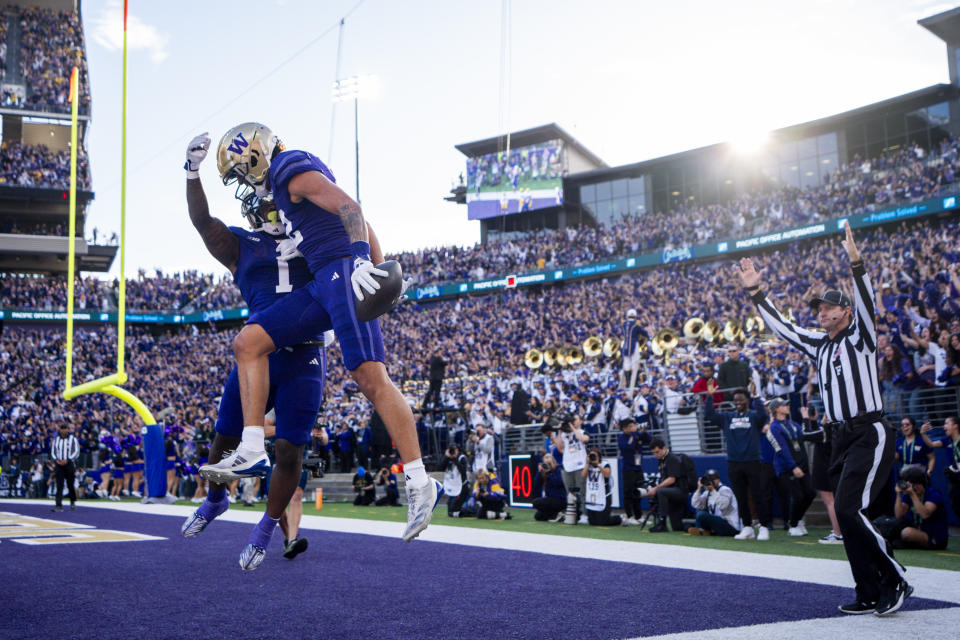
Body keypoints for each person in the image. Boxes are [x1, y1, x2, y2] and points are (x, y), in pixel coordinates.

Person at [211, 123, 442, 543]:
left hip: (341, 272)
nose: (244, 184)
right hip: (324, 280)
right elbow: (358, 219)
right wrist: (378, 260)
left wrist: (362, 261)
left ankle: (420, 481)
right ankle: (249, 444)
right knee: (249, 342)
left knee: (371, 379)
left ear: (255, 156)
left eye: (241, 172)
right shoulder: (283, 184)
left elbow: (351, 208)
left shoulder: (286, 169)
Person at [739, 221, 910, 616]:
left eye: (828, 308)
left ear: (845, 312)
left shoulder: (860, 335)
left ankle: (894, 578)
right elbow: (783, 328)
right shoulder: (819, 343)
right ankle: (868, 591)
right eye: (818, 308)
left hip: (869, 429)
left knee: (850, 509)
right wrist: (755, 292)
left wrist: (857, 264)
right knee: (846, 517)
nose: (821, 313)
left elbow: (867, 303)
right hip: (838, 437)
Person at [180, 134, 328, 572]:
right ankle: (215, 499)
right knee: (223, 440)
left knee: (289, 453)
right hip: (258, 357)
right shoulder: (241, 245)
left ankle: (266, 532)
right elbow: (202, 221)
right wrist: (192, 172)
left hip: (304, 355)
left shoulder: (311, 236)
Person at [703, 388, 772, 540]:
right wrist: (709, 397)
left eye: (741, 400)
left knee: (758, 495)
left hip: (753, 461)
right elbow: (710, 415)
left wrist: (756, 396)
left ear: (747, 401)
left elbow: (763, 416)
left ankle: (764, 527)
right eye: (735, 401)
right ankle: (747, 527)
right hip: (734, 463)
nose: (738, 403)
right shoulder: (727, 417)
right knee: (741, 497)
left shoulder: (754, 415)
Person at [766, 398, 816, 536]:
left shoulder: (792, 423)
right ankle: (792, 525)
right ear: (776, 409)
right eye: (784, 405)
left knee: (811, 493)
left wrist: (808, 419)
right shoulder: (774, 427)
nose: (787, 406)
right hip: (786, 467)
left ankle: (797, 520)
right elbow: (781, 449)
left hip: (801, 464)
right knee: (798, 496)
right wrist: (793, 466)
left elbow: (806, 435)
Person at [801, 405, 844, 545]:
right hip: (832, 467)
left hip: (825, 468)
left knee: (830, 501)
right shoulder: (835, 429)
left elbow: (806, 435)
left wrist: (805, 419)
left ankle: (838, 533)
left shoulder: (827, 430)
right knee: (832, 501)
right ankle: (838, 531)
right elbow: (815, 434)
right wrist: (813, 421)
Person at [890, 466, 948, 550]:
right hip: (918, 531)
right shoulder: (908, 495)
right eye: (910, 484)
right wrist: (899, 495)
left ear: (922, 483)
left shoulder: (934, 494)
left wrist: (913, 495)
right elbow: (899, 515)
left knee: (907, 533)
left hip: (935, 536)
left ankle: (907, 543)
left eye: (916, 484)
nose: (913, 487)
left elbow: (925, 514)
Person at [547, 415, 589, 524]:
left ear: (580, 421)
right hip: (568, 465)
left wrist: (572, 428)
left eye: (575, 420)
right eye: (572, 420)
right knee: (570, 493)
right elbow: (560, 447)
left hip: (580, 465)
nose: (573, 422)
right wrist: (560, 432)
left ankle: (584, 514)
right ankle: (572, 514)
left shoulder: (582, 431)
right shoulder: (565, 434)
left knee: (582, 491)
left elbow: (584, 439)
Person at [645, 437, 689, 532]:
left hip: (680, 490)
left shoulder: (671, 459)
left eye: (657, 452)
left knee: (661, 491)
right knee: (677, 527)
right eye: (654, 453)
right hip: (672, 491)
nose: (655, 455)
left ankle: (662, 523)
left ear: (664, 448)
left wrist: (656, 488)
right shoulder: (662, 460)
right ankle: (692, 526)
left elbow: (671, 479)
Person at [920, 416, 960, 520]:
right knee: (956, 506)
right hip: (955, 479)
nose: (944, 426)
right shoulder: (947, 440)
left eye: (947, 423)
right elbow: (931, 444)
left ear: (955, 426)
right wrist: (923, 434)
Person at [617, 417, 651, 525]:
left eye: (633, 426)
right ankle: (629, 515)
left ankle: (639, 516)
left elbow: (649, 440)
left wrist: (644, 432)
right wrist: (633, 434)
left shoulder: (637, 434)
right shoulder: (622, 437)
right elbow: (628, 447)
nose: (633, 428)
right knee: (628, 493)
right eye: (630, 426)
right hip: (628, 469)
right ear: (624, 428)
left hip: (638, 468)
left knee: (639, 492)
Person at [689, 469, 740, 536]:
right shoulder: (707, 492)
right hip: (717, 523)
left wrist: (713, 490)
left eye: (714, 479)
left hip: (730, 526)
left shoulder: (725, 490)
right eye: (709, 480)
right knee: (699, 510)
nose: (712, 482)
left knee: (702, 515)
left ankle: (701, 529)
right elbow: (695, 504)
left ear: (718, 480)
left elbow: (723, 505)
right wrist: (699, 488)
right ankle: (702, 529)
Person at [581, 448, 622, 526]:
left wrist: (598, 464)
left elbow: (606, 474)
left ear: (599, 457)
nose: (592, 457)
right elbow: (583, 475)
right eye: (591, 455)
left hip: (603, 496)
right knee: (592, 522)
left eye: (594, 456)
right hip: (592, 496)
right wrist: (587, 463)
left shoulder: (605, 464)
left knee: (602, 522)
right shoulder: (588, 466)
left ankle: (619, 518)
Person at [49, 424, 79, 512]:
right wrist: (56, 460)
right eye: (62, 429)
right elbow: (53, 451)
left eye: (65, 428)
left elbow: (76, 451)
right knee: (59, 485)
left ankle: (72, 501)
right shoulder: (56, 440)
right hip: (59, 464)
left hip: (69, 464)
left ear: (67, 429)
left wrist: (68, 459)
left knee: (70, 484)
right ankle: (58, 505)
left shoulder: (73, 439)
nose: (63, 430)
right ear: (60, 430)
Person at [619, 309, 646, 393]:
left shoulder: (623, 324)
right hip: (634, 344)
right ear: (635, 316)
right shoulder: (636, 324)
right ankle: (634, 383)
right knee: (635, 363)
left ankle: (627, 383)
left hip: (626, 344)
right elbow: (643, 332)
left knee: (627, 363)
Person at [532, 453, 565, 522]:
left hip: (559, 499)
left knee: (536, 502)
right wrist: (539, 472)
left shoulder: (558, 469)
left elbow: (558, 482)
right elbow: (536, 485)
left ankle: (559, 513)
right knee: (538, 516)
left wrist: (549, 472)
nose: (547, 459)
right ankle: (556, 514)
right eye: (545, 458)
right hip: (549, 499)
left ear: (553, 460)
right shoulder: (543, 472)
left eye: (548, 457)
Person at [442, 444, 470, 517]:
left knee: (453, 511)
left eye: (454, 450)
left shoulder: (462, 458)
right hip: (453, 487)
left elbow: (463, 471)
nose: (453, 452)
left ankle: (472, 511)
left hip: (462, 487)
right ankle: (462, 511)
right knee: (450, 511)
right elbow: (440, 468)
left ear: (458, 450)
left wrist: (454, 459)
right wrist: (446, 457)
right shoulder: (448, 458)